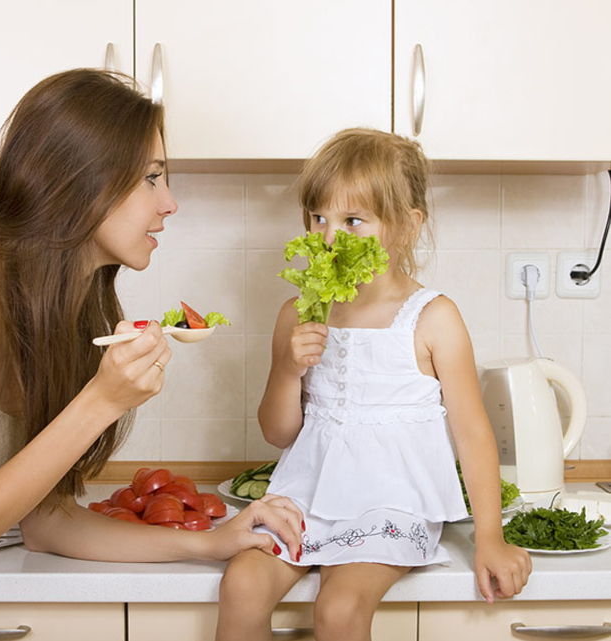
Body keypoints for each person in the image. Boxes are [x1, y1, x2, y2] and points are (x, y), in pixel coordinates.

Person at [0, 69, 303, 640]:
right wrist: (100, 402)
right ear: (81, 181)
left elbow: (45, 521)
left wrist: (210, 542)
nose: (171, 203)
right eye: (152, 179)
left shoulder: (58, 319)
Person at [216, 128, 532, 641]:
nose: (328, 236)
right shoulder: (298, 313)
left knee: (339, 610)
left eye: (353, 220)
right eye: (318, 217)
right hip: (308, 497)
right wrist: (287, 369)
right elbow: (277, 432)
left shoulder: (433, 318)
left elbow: (474, 437)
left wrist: (489, 538)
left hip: (392, 501)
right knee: (242, 587)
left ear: (406, 227)